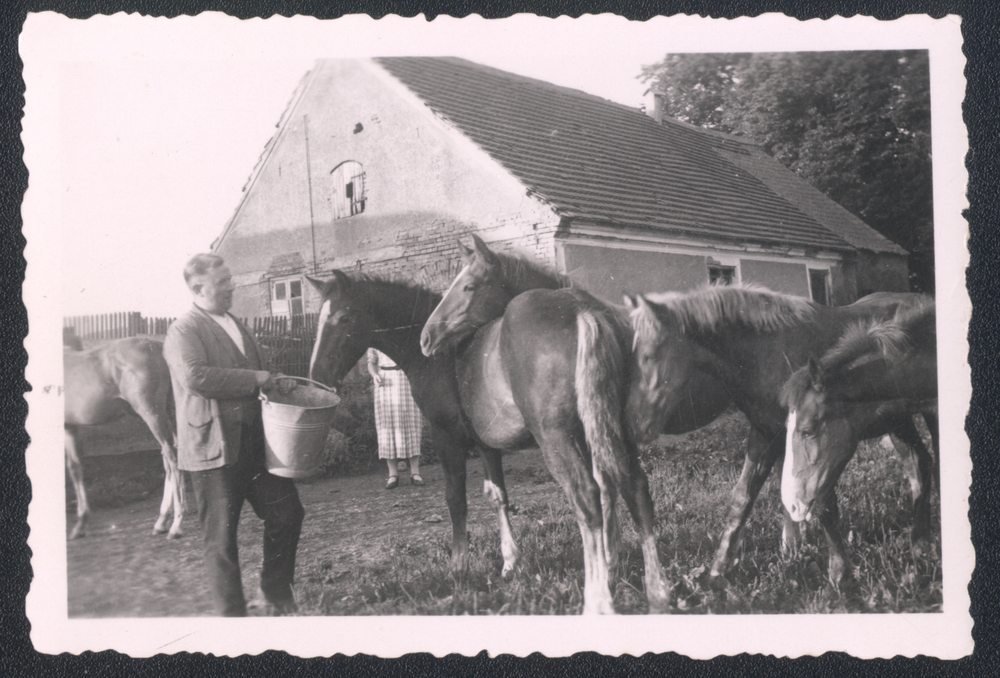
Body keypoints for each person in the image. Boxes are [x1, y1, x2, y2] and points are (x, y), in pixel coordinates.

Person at [163, 253, 304, 617]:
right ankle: (232, 619)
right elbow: (196, 378)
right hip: (214, 447)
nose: (232, 286)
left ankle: (275, 592)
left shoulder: (235, 323)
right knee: (221, 540)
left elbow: (256, 370)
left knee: (288, 513)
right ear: (198, 288)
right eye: (223, 281)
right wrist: (255, 378)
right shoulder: (184, 329)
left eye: (230, 279)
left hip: (256, 445)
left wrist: (272, 378)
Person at [367, 348, 424, 489]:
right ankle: (393, 474)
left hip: (407, 378)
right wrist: (374, 375)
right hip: (385, 382)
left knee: (412, 423)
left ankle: (415, 472)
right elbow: (371, 362)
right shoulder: (376, 336)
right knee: (387, 426)